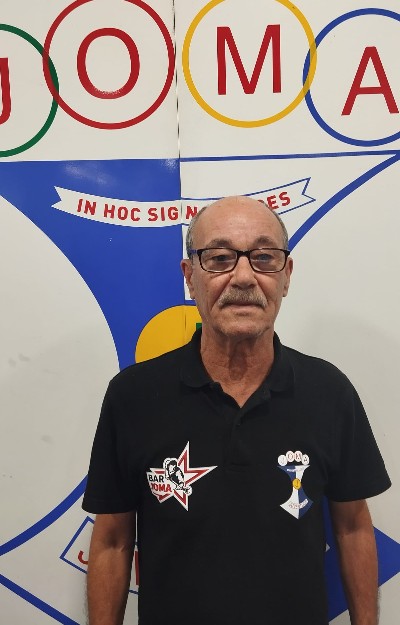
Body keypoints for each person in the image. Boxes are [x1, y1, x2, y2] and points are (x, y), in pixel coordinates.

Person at [82, 196, 391, 625]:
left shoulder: (329, 392)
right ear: (190, 278)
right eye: (219, 258)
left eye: (264, 258)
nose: (243, 277)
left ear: (286, 276)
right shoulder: (132, 396)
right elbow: (113, 541)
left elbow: (353, 528)